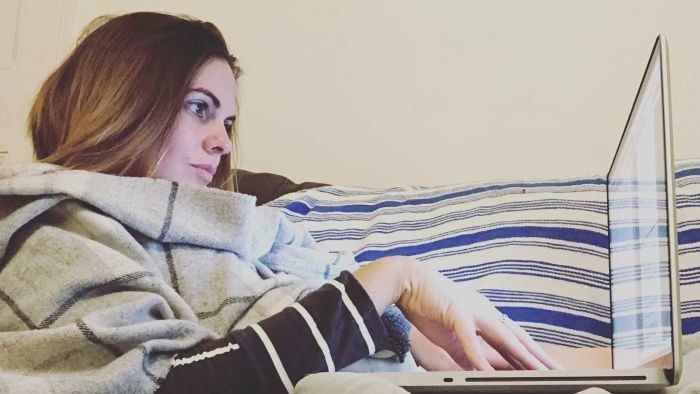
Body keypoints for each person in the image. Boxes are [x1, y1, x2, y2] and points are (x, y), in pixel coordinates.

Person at [0, 12, 561, 394]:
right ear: (122, 103)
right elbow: (174, 385)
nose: (222, 141)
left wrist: (407, 334)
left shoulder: (244, 237)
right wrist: (390, 282)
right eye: (200, 108)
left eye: (227, 121)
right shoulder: (49, 231)